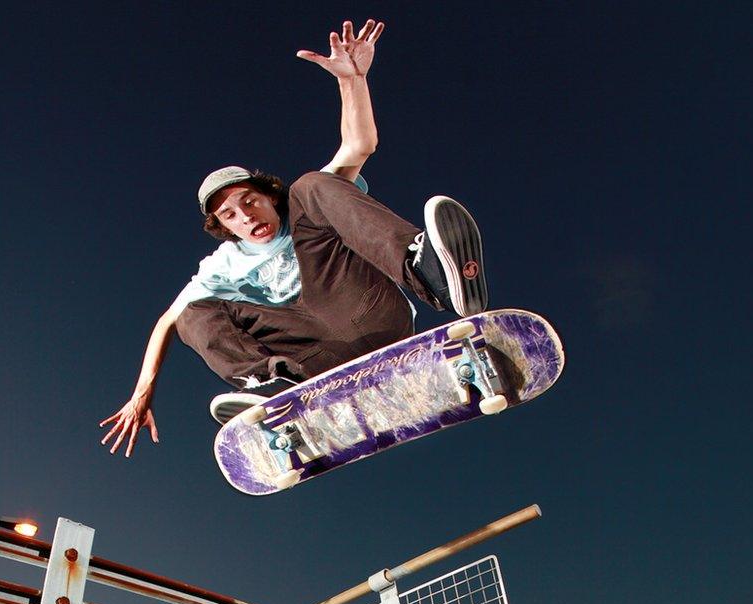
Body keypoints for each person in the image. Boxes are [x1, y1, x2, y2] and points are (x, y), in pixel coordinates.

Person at [100, 19, 488, 458]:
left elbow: (360, 144)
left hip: (367, 313)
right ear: (223, 227)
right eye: (231, 215)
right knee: (191, 312)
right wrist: (142, 392)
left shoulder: (302, 209)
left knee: (314, 183)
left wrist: (353, 81)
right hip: (309, 361)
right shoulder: (221, 266)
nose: (246, 217)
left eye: (251, 201)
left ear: (269, 196)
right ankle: (269, 385)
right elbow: (166, 323)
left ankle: (429, 271)